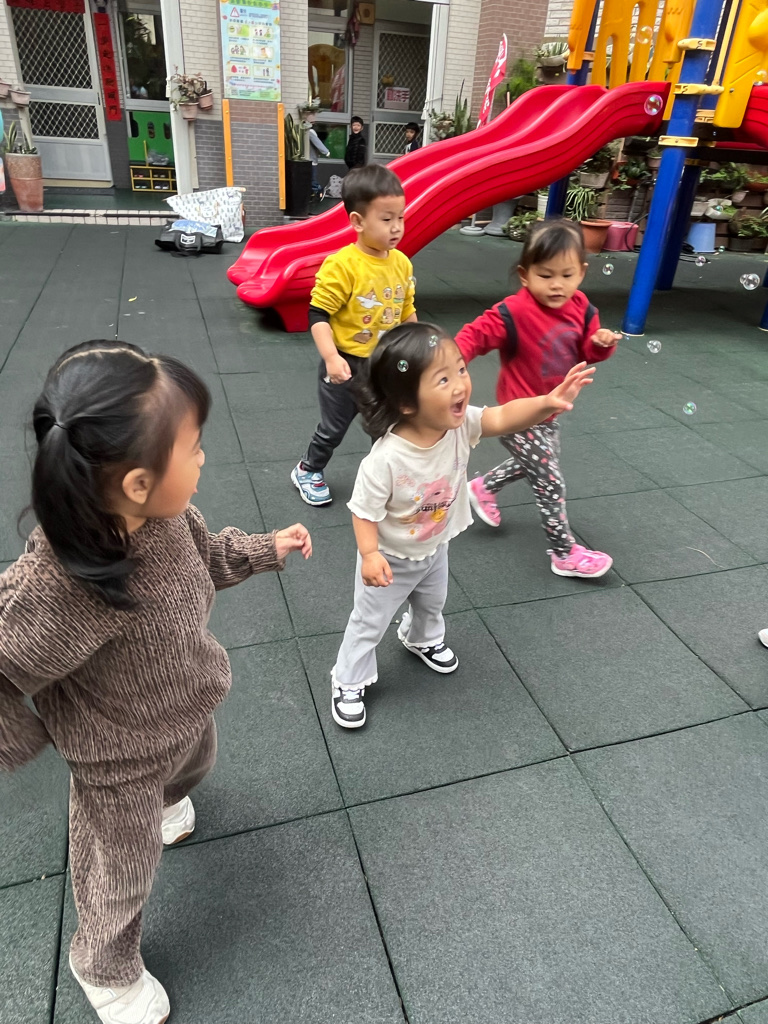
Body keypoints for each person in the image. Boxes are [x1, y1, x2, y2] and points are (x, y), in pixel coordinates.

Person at [0, 340, 312, 1024]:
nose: (203, 459)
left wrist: (263, 549)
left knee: (196, 765)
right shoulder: (66, 587)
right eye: (193, 448)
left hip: (185, 708)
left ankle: (171, 797)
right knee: (121, 869)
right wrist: (22, 736)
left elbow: (205, 557)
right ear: (138, 483)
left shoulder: (169, 520)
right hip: (117, 758)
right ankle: (103, 967)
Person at [330, 321, 595, 728]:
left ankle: (421, 639)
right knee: (369, 622)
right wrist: (368, 554)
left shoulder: (460, 426)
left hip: (434, 546)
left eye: (461, 370)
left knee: (432, 602)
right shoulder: (385, 460)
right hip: (390, 558)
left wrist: (547, 402)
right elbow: (363, 511)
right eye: (443, 379)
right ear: (406, 403)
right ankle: (348, 679)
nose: (460, 385)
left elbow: (502, 416)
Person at [457, 219, 620, 579]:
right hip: (516, 414)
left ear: (582, 273)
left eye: (567, 274)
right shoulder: (513, 312)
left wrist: (600, 343)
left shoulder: (583, 309)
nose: (557, 284)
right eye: (545, 275)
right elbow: (474, 335)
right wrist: (451, 363)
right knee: (549, 479)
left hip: (550, 410)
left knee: (533, 464)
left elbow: (587, 350)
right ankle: (564, 553)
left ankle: (482, 487)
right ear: (525, 275)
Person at [291, 164, 416, 506]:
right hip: (345, 365)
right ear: (358, 222)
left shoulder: (402, 264)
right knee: (334, 428)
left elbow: (407, 310)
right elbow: (318, 314)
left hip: (383, 365)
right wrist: (331, 358)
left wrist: (419, 347)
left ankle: (382, 478)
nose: (396, 227)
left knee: (387, 428)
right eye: (386, 219)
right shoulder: (343, 265)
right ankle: (308, 469)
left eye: (400, 218)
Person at [301, 109, 330, 198]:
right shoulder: (309, 131)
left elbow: (317, 143)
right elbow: (317, 143)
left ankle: (319, 191)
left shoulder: (308, 132)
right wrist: (325, 152)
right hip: (311, 159)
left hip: (310, 159)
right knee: (311, 179)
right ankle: (316, 193)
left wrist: (326, 151)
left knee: (312, 180)